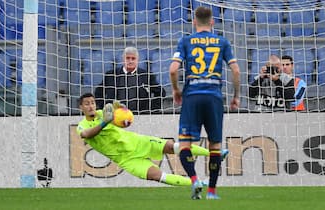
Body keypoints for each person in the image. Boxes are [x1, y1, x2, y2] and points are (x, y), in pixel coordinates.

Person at [169, 6, 240, 200]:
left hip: (192, 96)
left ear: (193, 22)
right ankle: (212, 192)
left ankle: (194, 180)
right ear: (212, 22)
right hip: (214, 97)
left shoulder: (185, 41)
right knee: (215, 145)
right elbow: (236, 71)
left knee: (185, 143)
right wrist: (236, 95)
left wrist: (176, 90)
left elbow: (173, 69)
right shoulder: (222, 42)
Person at [76, 93, 212, 187]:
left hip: (138, 142)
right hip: (126, 159)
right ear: (81, 107)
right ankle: (196, 183)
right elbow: (87, 134)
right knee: (157, 175)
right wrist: (104, 123)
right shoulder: (82, 125)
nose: (91, 106)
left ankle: (213, 153)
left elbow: (124, 117)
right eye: (87, 104)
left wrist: (123, 110)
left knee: (172, 146)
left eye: (92, 103)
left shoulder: (103, 113)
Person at [94, 47, 166, 114]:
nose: (130, 61)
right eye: (127, 58)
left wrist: (152, 109)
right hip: (116, 116)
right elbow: (98, 92)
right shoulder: (111, 75)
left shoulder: (146, 75)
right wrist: (105, 108)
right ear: (123, 59)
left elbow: (161, 92)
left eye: (133, 58)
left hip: (140, 117)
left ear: (137, 60)